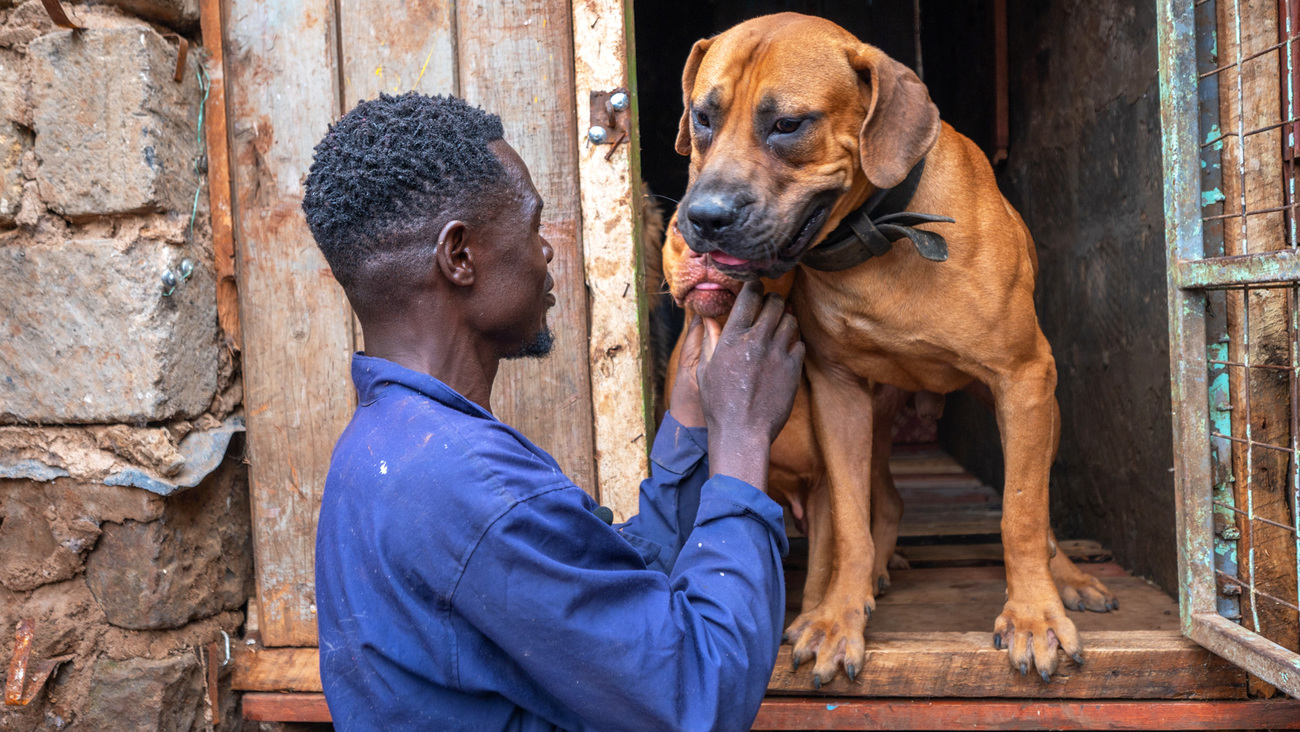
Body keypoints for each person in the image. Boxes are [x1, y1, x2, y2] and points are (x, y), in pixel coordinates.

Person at [303, 92, 804, 732]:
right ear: (459, 257)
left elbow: (606, 599)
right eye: (534, 228)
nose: (546, 255)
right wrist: (743, 441)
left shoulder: (390, 447)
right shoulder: (471, 487)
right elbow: (701, 691)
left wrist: (692, 423)